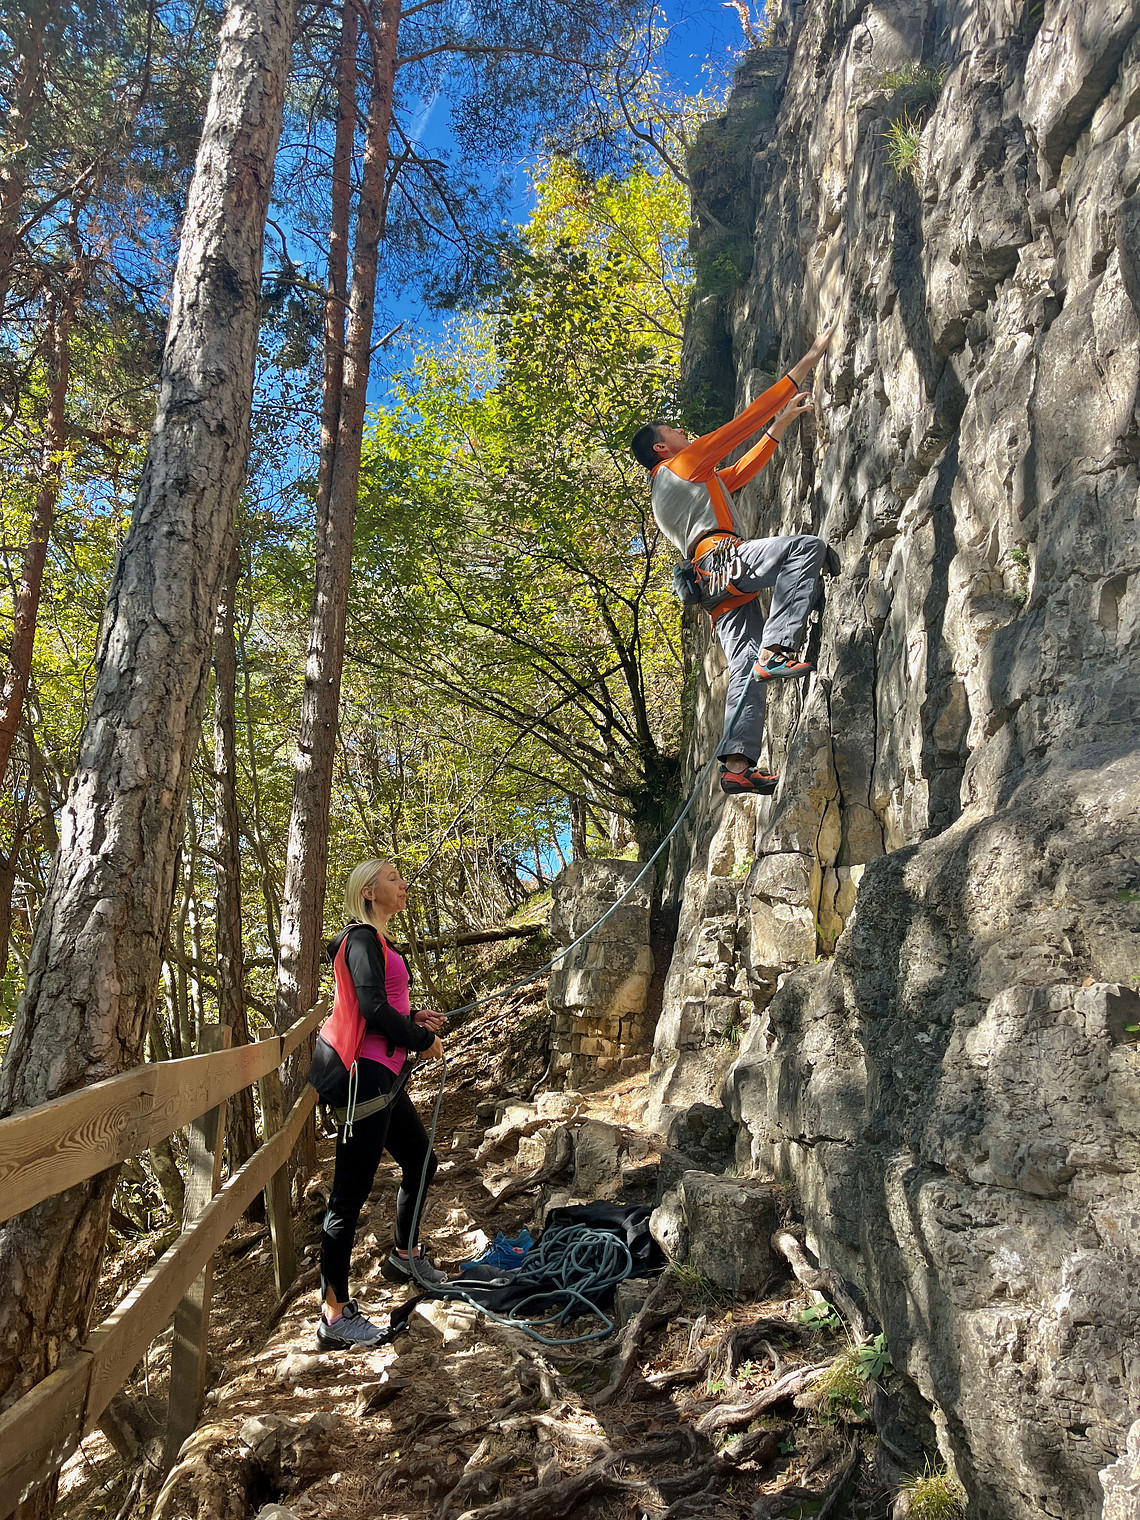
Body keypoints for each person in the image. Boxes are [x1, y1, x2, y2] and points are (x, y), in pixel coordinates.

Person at [630, 324, 835, 795]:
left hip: (711, 587)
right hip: (724, 562)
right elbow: (743, 423)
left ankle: (737, 766)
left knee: (745, 668)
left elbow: (738, 472)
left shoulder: (675, 488)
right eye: (674, 431)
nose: (684, 432)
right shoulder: (681, 465)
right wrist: (809, 358)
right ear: (662, 447)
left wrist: (780, 427)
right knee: (804, 548)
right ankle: (779, 648)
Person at [307, 859, 448, 1349]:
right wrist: (418, 1039)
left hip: (383, 1077)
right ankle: (334, 1315)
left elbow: (381, 1002)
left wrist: (413, 1016)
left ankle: (404, 1256)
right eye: (393, 878)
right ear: (368, 891)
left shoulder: (380, 943)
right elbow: (369, 1007)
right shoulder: (362, 939)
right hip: (363, 1081)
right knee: (348, 1197)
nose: (402, 884)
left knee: (421, 1161)